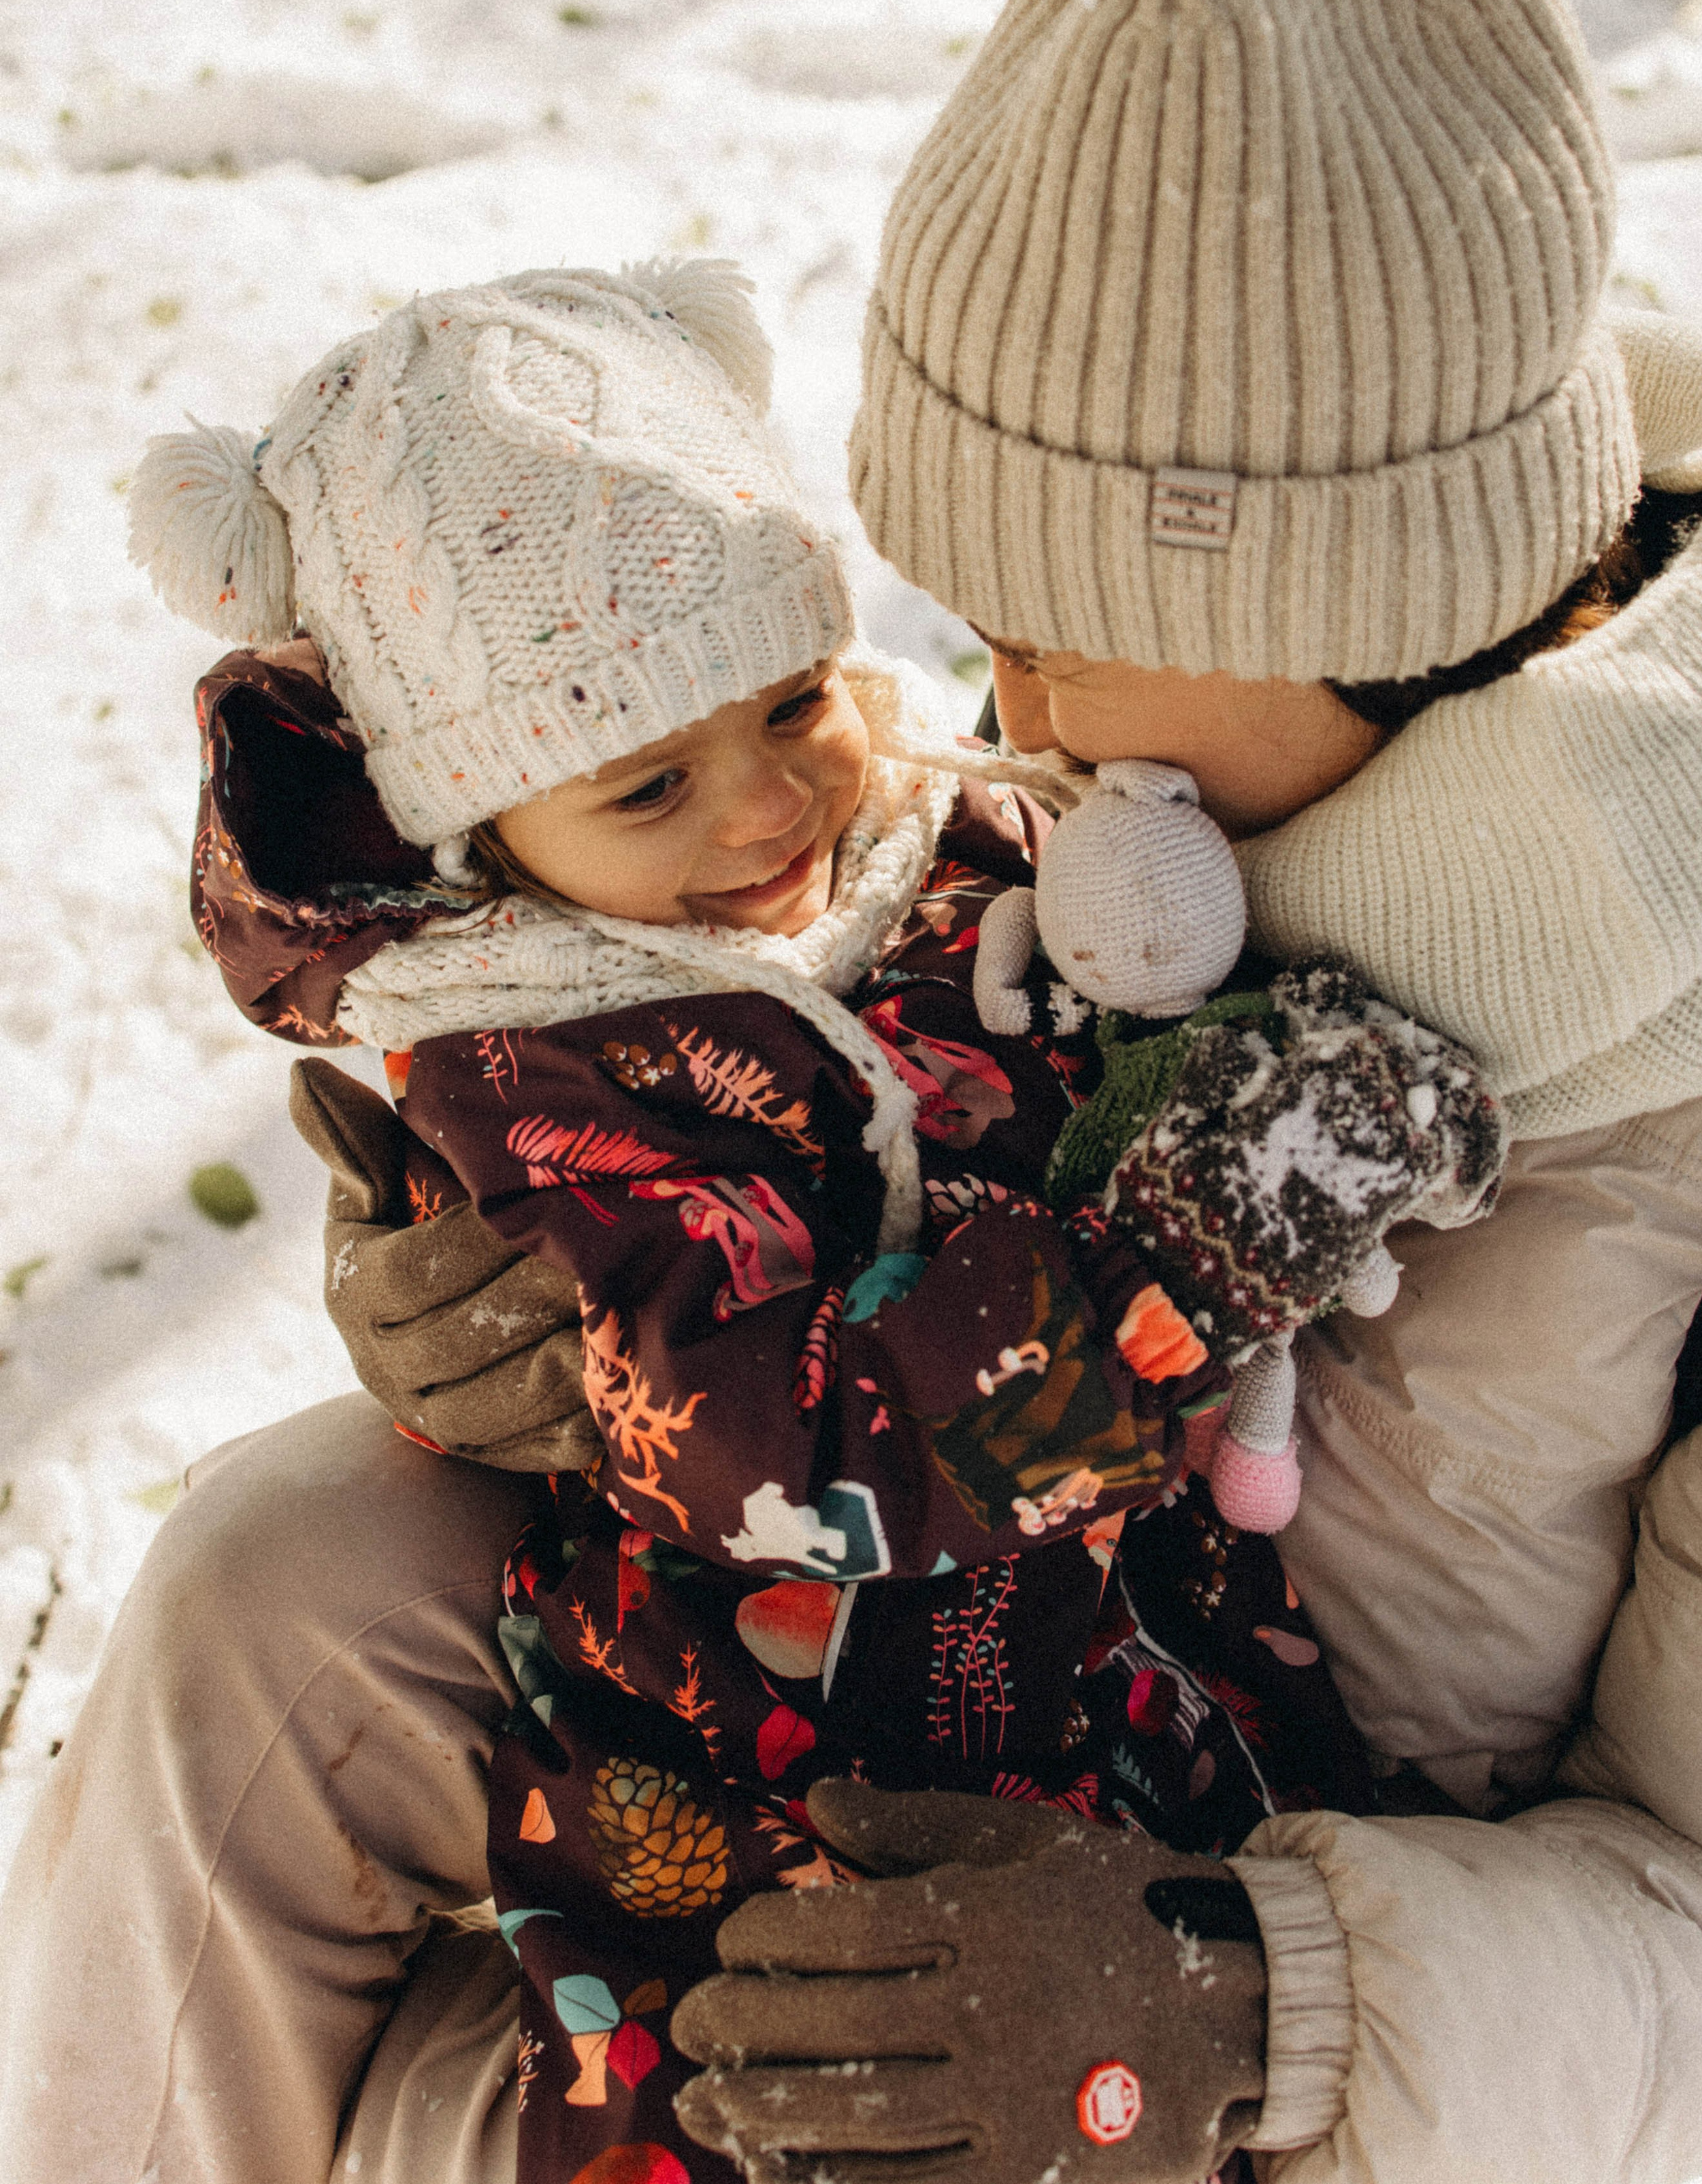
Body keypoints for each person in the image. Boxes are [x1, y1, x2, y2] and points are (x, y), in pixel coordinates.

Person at [0, 252, 1459, 2184]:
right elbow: (782, 1444)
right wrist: (1171, 1271)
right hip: (746, 1801)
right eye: (648, 782)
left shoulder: (943, 840)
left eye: (792, 699)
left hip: (1124, 1713)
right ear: (485, 829)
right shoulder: (542, 1072)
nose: (766, 806)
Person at [672, 0, 1702, 2184]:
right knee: (279, 1593)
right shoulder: (1145, 828)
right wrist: (537, 1237)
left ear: (1345, 612)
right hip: (809, 1774)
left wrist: (1240, 2001)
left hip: (1356, 2068)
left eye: (1065, 626)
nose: (1001, 714)